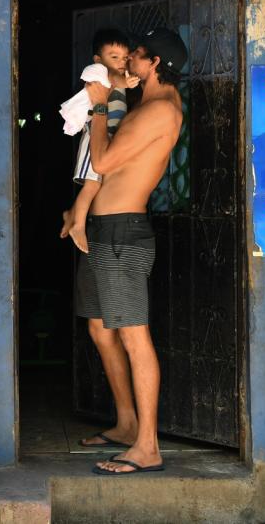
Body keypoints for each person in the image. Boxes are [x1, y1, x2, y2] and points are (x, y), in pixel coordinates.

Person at [76, 27, 187, 476]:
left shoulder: (160, 110)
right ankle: (125, 424)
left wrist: (100, 102)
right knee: (101, 328)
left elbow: (102, 162)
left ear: (155, 63)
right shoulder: (146, 105)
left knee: (133, 336)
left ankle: (147, 446)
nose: (130, 63)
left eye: (137, 57)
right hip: (104, 230)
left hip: (123, 234)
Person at [60, 29, 139, 254]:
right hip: (94, 134)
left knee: (98, 182)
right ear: (98, 59)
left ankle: (72, 214)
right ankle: (78, 224)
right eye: (114, 57)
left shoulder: (117, 76)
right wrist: (124, 80)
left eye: (124, 58)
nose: (120, 62)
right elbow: (112, 77)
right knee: (93, 183)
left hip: (107, 136)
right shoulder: (97, 72)